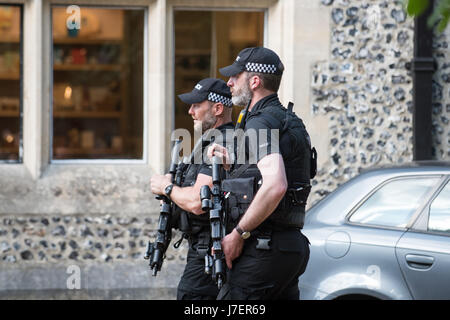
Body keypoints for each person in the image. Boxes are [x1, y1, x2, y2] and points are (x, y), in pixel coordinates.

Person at [208, 47, 313, 300]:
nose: (229, 83)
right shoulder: (289, 120)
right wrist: (232, 165)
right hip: (289, 248)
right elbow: (269, 174)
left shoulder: (260, 121)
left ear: (254, 81)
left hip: (262, 249)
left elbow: (276, 184)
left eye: (235, 76)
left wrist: (239, 233)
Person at [150, 78, 234, 300]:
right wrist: (173, 189)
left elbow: (198, 202)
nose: (190, 111)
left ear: (217, 108)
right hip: (202, 247)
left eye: (197, 105)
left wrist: (166, 187)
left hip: (211, 249)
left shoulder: (222, 142)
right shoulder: (206, 143)